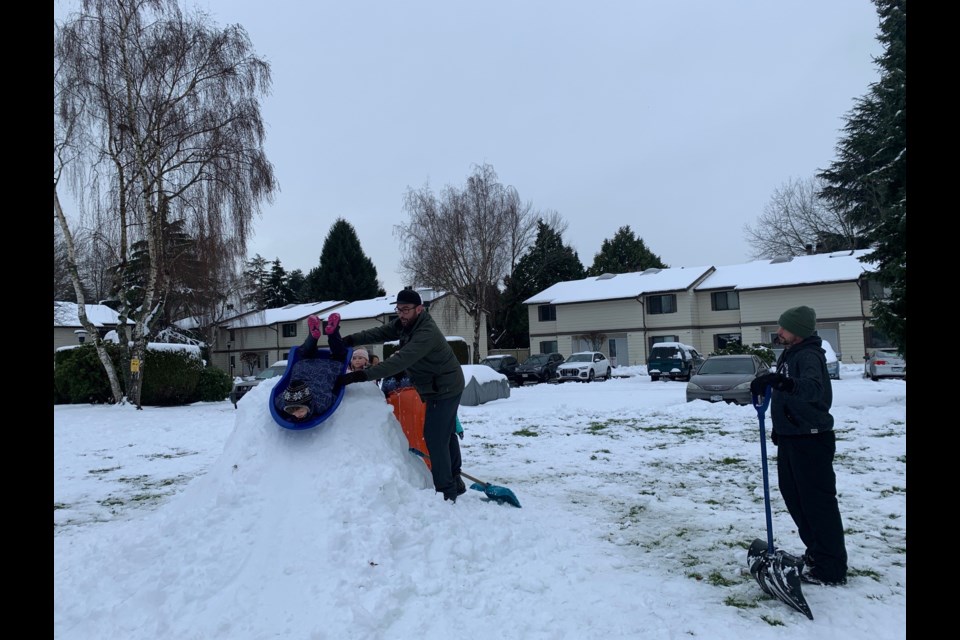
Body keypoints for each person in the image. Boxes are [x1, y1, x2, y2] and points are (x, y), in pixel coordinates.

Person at [334, 288, 467, 503]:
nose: (401, 314)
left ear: (419, 309)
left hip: (445, 387)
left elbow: (399, 361)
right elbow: (379, 333)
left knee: (435, 437)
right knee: (446, 432)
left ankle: (446, 491)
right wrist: (348, 340)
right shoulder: (406, 324)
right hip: (435, 384)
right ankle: (455, 478)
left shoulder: (425, 333)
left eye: (406, 310)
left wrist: (360, 375)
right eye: (399, 309)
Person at [750, 305, 848, 586]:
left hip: (811, 438)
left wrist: (783, 382)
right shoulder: (791, 354)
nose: (778, 332)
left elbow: (813, 389)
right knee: (796, 498)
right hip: (794, 436)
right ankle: (817, 554)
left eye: (784, 328)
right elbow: (787, 390)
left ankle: (831, 568)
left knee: (817, 503)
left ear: (799, 331)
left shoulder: (808, 355)